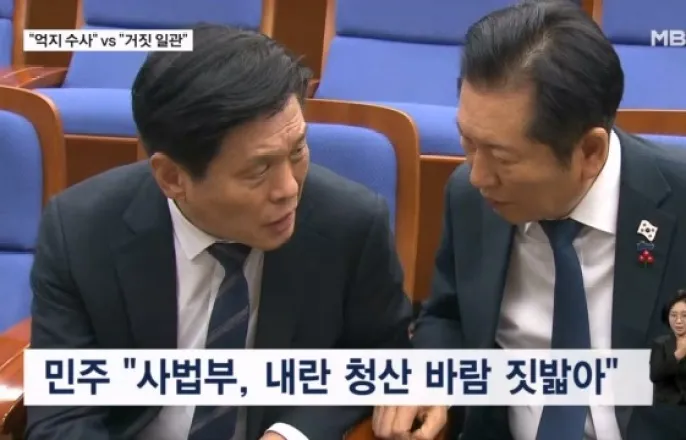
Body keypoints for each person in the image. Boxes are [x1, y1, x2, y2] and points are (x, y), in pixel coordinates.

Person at [26, 24, 412, 440]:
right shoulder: (81, 231)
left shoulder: (350, 224)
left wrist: (290, 434)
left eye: (298, 150)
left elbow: (376, 362)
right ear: (172, 177)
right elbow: (63, 416)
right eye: (258, 169)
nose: (288, 189)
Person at [373, 1, 686, 439]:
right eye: (468, 142)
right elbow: (447, 316)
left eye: (502, 157)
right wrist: (431, 374)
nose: (478, 176)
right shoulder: (469, 196)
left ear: (590, 152)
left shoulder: (677, 202)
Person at [650, 291, 686, 405]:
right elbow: (655, 375)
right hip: (667, 408)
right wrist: (678, 355)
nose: (678, 321)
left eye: (684, 315)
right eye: (674, 315)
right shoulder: (660, 344)